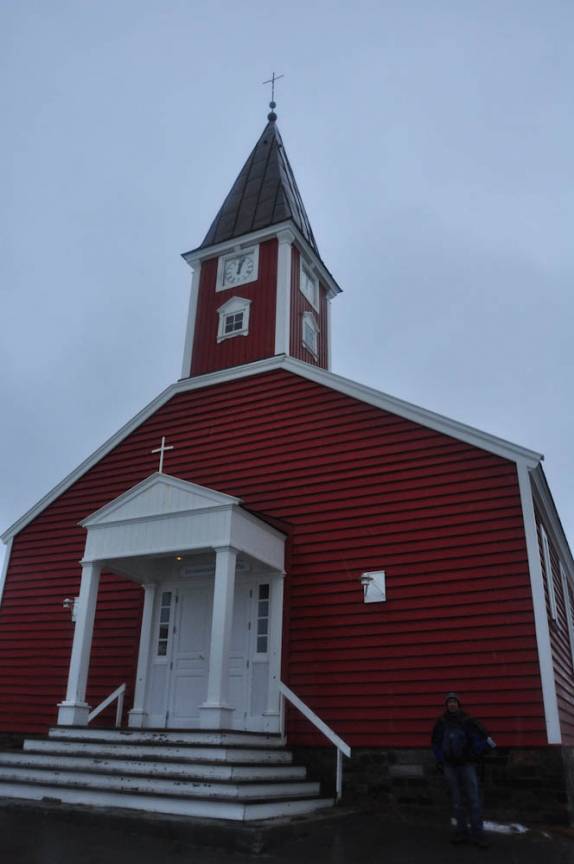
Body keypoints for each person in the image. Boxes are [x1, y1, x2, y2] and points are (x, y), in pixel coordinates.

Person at [431, 692, 496, 848]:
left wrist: (473, 753)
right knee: (457, 801)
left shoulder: (468, 721)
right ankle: (461, 832)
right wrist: (441, 759)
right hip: (449, 766)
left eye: (454, 702)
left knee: (473, 799)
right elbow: (435, 743)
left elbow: (487, 741)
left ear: (459, 704)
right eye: (449, 702)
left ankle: (478, 834)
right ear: (446, 705)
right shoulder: (441, 723)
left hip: (467, 765)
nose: (452, 704)